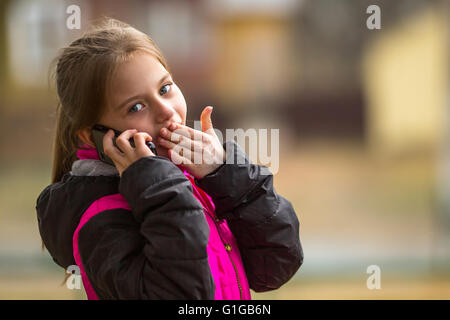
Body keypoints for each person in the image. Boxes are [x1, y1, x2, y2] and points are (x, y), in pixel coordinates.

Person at [36, 17, 303, 300]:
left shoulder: (187, 180)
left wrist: (227, 175)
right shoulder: (101, 217)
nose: (166, 111)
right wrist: (157, 189)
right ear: (95, 136)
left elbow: (276, 265)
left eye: (165, 88)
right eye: (136, 107)